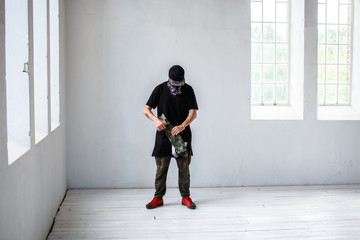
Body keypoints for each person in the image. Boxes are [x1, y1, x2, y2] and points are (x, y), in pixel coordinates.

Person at [143, 65, 198, 209]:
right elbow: (146, 109)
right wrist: (156, 120)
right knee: (161, 168)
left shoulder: (188, 89)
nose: (178, 86)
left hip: (182, 135)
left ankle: (186, 197)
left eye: (180, 83)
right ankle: (158, 197)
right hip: (163, 135)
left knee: (184, 168)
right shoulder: (160, 89)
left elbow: (193, 113)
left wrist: (183, 125)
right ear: (169, 79)